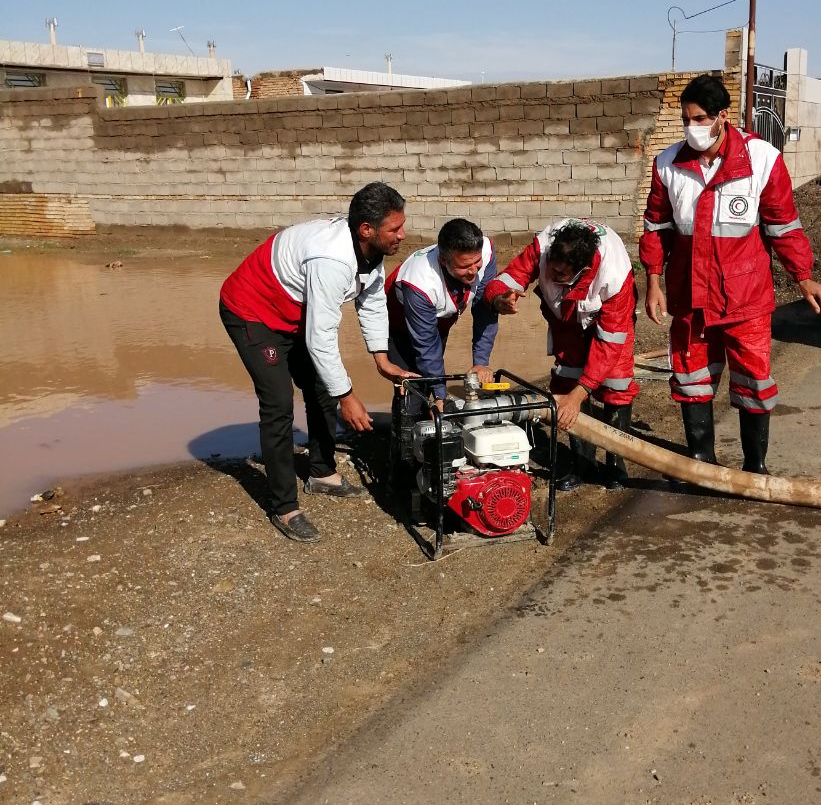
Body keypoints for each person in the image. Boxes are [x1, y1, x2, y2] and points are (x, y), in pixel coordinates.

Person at [639, 74, 821, 474]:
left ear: (722, 117)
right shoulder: (668, 164)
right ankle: (701, 462)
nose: (693, 128)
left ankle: (754, 466)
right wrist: (652, 283)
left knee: (753, 382)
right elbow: (656, 227)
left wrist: (803, 276)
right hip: (690, 297)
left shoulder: (762, 159)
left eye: (700, 119)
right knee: (692, 379)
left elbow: (783, 226)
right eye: (686, 119)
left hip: (746, 300)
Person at [219, 182, 415, 541]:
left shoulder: (370, 250)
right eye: (395, 228)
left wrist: (381, 360)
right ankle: (284, 507)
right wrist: (348, 397)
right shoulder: (333, 259)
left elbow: (371, 303)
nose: (403, 234)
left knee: (321, 385)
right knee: (278, 404)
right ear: (366, 229)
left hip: (296, 312)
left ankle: (321, 473)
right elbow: (321, 338)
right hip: (253, 310)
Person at [485, 219, 639, 490]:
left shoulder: (615, 275)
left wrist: (578, 396)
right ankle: (582, 462)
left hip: (605, 317)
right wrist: (499, 298)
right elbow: (511, 276)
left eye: (562, 274)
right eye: (551, 269)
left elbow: (610, 344)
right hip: (566, 319)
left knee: (616, 382)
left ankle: (616, 464)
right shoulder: (543, 248)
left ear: (584, 270)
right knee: (567, 377)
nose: (553, 275)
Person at [386, 217, 500, 404]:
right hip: (401, 324)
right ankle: (407, 427)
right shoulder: (421, 282)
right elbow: (427, 345)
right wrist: (441, 396)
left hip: (440, 317)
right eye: (464, 266)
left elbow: (484, 310)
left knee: (433, 378)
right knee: (413, 391)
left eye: (476, 262)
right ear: (443, 260)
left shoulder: (486, 252)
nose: (473, 271)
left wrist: (480, 362)